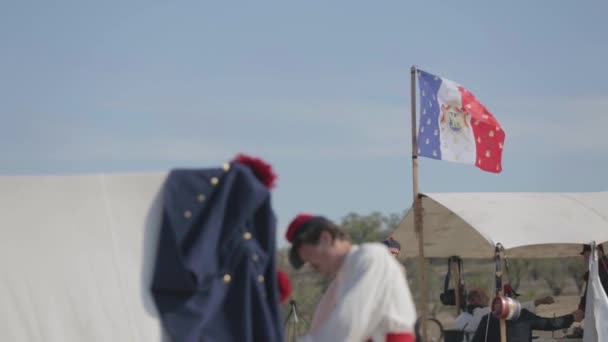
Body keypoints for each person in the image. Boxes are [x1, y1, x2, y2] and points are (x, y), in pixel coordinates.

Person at [286, 213, 416, 342]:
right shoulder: (344, 276)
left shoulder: (371, 257)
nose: (311, 267)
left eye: (310, 258)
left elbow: (349, 321)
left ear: (325, 238)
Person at [455, 286, 554, 335]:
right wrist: (540, 301)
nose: (489, 298)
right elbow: (515, 308)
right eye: (485, 296)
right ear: (476, 299)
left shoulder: (460, 318)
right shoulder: (483, 313)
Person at [470, 305, 583, 342]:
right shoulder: (523, 315)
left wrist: (571, 317)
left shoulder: (487, 318)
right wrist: (571, 317)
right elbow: (550, 324)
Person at [578, 243, 608, 312]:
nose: (585, 260)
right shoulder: (590, 273)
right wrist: (581, 309)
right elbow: (585, 294)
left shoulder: (603, 270)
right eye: (585, 257)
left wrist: (581, 309)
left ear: (599, 253)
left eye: (588, 257)